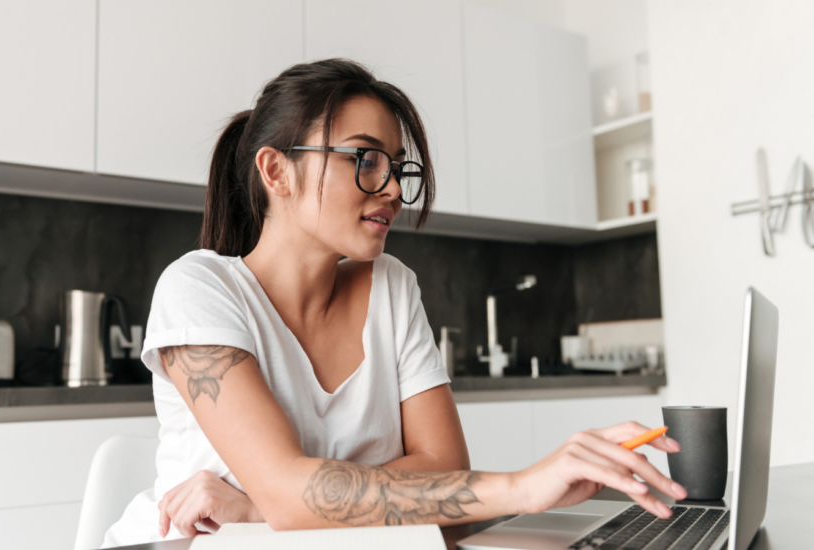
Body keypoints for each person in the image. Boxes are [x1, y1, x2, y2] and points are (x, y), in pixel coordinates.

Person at [102, 59, 686, 547]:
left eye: (396, 166)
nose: (394, 190)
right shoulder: (198, 288)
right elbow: (291, 490)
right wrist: (523, 486)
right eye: (365, 159)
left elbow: (444, 479)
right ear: (277, 170)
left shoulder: (393, 285)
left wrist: (265, 503)